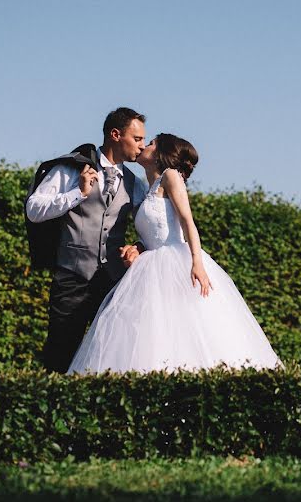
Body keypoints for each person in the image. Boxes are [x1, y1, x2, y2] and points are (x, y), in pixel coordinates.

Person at [68, 133, 283, 374]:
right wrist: (137, 247)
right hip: (149, 267)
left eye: (150, 144)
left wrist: (197, 262)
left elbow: (187, 221)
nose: (144, 146)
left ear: (161, 154)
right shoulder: (145, 189)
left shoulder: (170, 177)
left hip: (175, 261)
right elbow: (154, 232)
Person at [26, 107, 149, 373]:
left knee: (107, 356)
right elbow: (34, 209)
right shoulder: (71, 168)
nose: (142, 146)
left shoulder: (135, 184)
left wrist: (138, 246)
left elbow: (151, 228)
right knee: (60, 354)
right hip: (71, 278)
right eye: (137, 139)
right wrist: (78, 194)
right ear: (116, 135)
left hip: (112, 284)